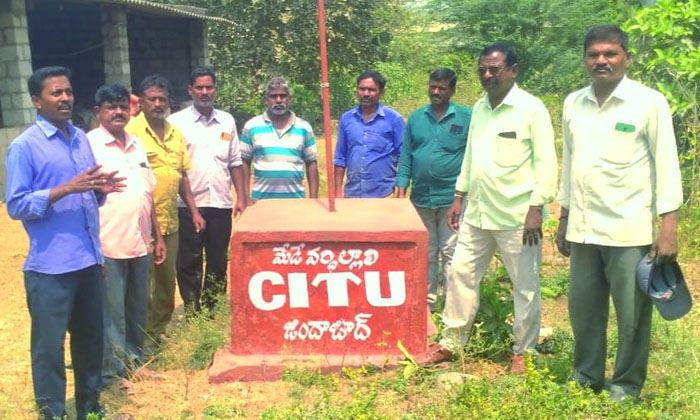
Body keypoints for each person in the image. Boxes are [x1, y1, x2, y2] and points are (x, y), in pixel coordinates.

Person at [556, 25, 683, 401]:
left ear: (627, 57)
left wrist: (668, 227)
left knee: (632, 316)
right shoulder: (572, 103)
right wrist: (563, 218)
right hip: (582, 228)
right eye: (594, 54)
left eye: (610, 54)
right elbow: (570, 165)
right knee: (583, 312)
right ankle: (586, 376)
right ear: (585, 59)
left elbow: (666, 164)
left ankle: (626, 385)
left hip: (629, 228)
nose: (601, 61)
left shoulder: (648, 102)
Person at [420, 44, 557, 373]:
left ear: (513, 70)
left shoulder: (531, 109)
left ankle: (524, 351)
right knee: (460, 274)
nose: (487, 75)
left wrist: (537, 207)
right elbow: (471, 156)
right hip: (477, 213)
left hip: (518, 218)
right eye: (482, 69)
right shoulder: (480, 108)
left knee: (524, 285)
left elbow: (547, 163)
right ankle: (452, 342)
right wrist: (458, 196)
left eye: (494, 69)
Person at [5, 66, 124, 420]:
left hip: (87, 261)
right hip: (50, 269)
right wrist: (67, 188)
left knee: (90, 343)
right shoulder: (24, 146)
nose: (65, 99)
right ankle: (53, 413)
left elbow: (85, 198)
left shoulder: (79, 138)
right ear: (36, 101)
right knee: (49, 349)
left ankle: (90, 408)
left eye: (68, 92)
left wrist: (99, 192)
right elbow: (17, 205)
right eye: (56, 93)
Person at [87, 83, 166, 389]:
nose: (118, 111)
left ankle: (134, 362)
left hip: (139, 242)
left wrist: (157, 237)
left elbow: (147, 193)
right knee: (112, 313)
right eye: (110, 106)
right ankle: (111, 373)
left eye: (122, 105)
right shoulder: (88, 145)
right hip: (107, 243)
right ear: (98, 112)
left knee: (136, 308)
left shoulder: (136, 144)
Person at [126, 74, 205, 350]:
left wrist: (194, 211)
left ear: (169, 102)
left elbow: (181, 176)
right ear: (142, 101)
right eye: (152, 99)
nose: (158, 104)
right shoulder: (131, 132)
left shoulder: (174, 133)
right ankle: (135, 338)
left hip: (170, 221)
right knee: (139, 285)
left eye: (162, 99)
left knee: (165, 284)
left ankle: (154, 336)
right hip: (139, 223)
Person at [168, 67, 247, 314]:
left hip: (220, 203)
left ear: (215, 89)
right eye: (199, 88)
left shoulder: (227, 121)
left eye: (209, 87)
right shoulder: (176, 123)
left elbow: (235, 161)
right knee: (189, 260)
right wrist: (190, 207)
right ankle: (192, 309)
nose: (204, 92)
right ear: (190, 90)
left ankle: (212, 309)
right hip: (187, 204)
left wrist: (242, 198)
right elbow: (176, 167)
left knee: (218, 260)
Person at [396, 68, 472, 312]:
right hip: (420, 198)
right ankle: (426, 306)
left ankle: (451, 307)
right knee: (425, 252)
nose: (436, 92)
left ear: (452, 90)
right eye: (432, 87)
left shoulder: (466, 117)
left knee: (451, 252)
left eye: (442, 88)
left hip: (452, 199)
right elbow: (406, 153)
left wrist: (463, 195)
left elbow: (472, 156)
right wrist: (401, 186)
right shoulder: (417, 118)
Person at [240, 76, 319, 201]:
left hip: (295, 202)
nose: (278, 100)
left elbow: (311, 163)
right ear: (266, 100)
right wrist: (245, 198)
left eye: (283, 96)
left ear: (289, 100)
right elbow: (244, 163)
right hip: (261, 203)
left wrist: (313, 200)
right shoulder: (252, 127)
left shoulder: (304, 128)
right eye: (273, 96)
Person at [334, 70, 404, 198]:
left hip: (383, 195)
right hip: (352, 195)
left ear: (381, 93)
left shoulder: (393, 119)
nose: (366, 94)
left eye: (371, 90)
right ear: (356, 90)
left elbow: (403, 157)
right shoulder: (347, 119)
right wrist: (338, 192)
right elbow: (340, 157)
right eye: (362, 89)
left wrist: (401, 192)